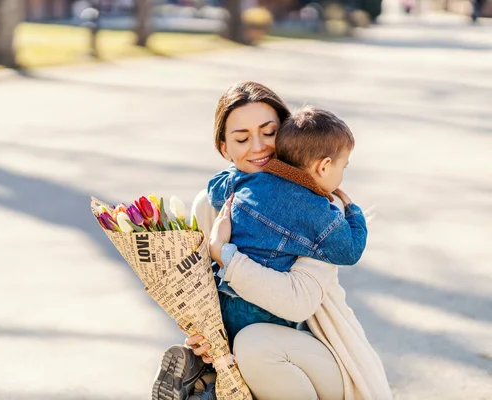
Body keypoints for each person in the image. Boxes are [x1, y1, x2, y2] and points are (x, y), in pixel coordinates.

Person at [151, 81, 392, 400]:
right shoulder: (211, 205)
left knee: (255, 344)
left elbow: (297, 303)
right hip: (244, 359)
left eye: (269, 132)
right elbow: (206, 297)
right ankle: (205, 384)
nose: (258, 147)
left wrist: (224, 254)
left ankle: (204, 390)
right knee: (237, 351)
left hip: (315, 360)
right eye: (241, 138)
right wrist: (204, 336)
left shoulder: (313, 207)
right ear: (225, 148)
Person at [207, 106, 368, 343]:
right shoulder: (320, 214)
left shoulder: (252, 178)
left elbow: (214, 190)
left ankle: (206, 369)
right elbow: (350, 251)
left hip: (221, 298)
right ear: (324, 167)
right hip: (265, 311)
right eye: (342, 167)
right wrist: (352, 211)